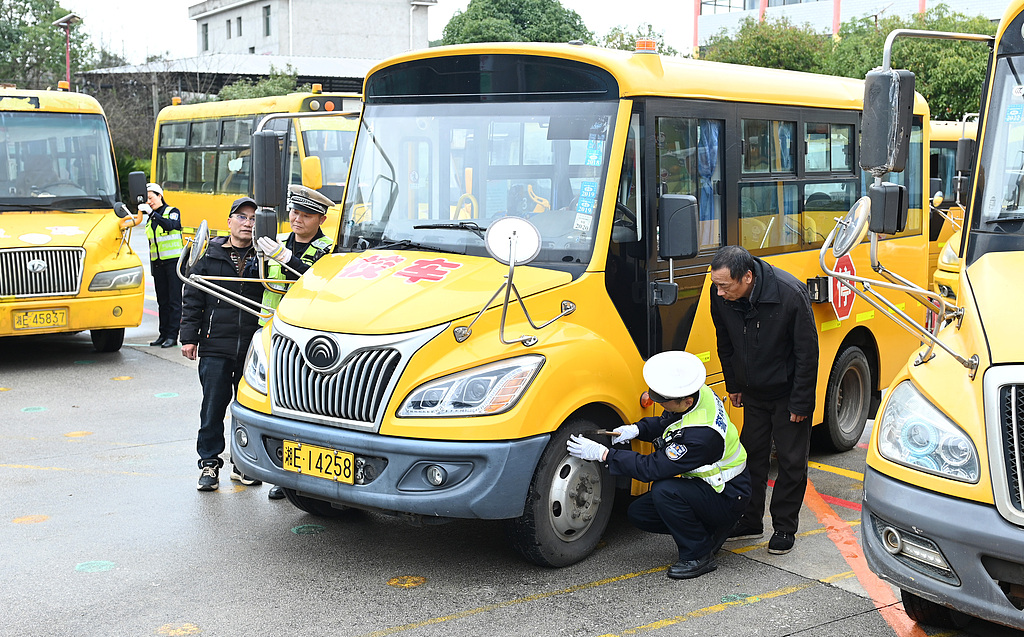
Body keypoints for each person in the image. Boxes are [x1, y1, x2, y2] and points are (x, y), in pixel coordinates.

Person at [566, 351, 750, 580]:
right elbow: (670, 422)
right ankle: (709, 531)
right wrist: (638, 429)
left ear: (686, 402)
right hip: (714, 488)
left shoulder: (702, 436)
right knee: (640, 513)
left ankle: (699, 555)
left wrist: (604, 454)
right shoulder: (694, 393)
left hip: (729, 495)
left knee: (665, 490)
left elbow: (651, 468)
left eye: (664, 402)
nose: (659, 403)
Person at [708, 245, 818, 555]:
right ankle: (749, 519)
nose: (718, 293)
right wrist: (734, 384)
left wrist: (800, 403)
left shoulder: (789, 294)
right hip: (753, 392)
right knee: (749, 457)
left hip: (787, 395)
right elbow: (725, 341)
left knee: (791, 462)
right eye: (716, 285)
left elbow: (807, 354)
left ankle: (784, 527)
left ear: (747, 277)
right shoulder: (723, 296)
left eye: (724, 286)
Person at [256, 184, 335, 500]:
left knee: (307, 410)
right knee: (274, 411)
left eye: (305, 214)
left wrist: (288, 258)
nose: (297, 219)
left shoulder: (330, 251)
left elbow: (322, 286)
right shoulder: (276, 243)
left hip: (309, 339)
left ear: (321, 219)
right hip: (272, 335)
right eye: (294, 212)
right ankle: (282, 475)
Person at [180, 196, 265, 492]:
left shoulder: (264, 257)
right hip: (215, 344)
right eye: (241, 217)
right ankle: (209, 464)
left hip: (252, 350)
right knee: (213, 408)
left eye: (253, 218)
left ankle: (243, 465)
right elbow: (192, 299)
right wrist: (189, 338)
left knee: (247, 409)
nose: (247, 223)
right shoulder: (209, 253)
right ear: (229, 221)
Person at [140, 183, 183, 348]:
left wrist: (151, 213)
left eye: (151, 198)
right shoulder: (150, 219)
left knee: (174, 301)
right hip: (158, 265)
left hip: (173, 263)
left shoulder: (172, 212)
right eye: (147, 199)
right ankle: (163, 333)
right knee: (162, 301)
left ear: (160, 196)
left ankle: (172, 336)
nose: (149, 202)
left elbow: (171, 226)